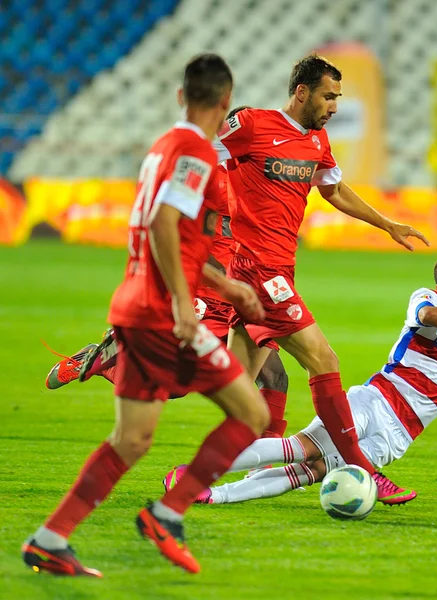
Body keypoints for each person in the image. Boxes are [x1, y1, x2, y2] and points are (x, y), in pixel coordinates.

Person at [22, 54, 270, 578]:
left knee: (131, 440)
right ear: (226, 101)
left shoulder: (161, 148)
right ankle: (167, 513)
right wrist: (185, 304)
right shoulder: (197, 153)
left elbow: (177, 239)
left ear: (182, 97)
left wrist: (227, 287)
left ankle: (49, 540)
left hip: (133, 310)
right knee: (253, 414)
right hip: (160, 314)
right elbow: (163, 223)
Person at [163, 251, 437, 506]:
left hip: (402, 433)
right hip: (375, 401)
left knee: (307, 473)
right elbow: (426, 319)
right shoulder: (428, 299)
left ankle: (211, 494)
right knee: (299, 448)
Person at [214, 54, 430, 503]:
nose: (334, 106)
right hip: (260, 271)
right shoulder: (251, 125)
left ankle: (134, 371)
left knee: (240, 394)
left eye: (338, 98)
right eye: (328, 96)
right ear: (301, 92)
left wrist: (387, 224)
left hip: (275, 269)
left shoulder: (317, 142)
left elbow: (332, 188)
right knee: (324, 360)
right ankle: (363, 467)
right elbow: (201, 152)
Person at [43, 110, 290, 439]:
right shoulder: (206, 176)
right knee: (177, 385)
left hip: (242, 291)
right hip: (213, 294)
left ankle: (267, 464)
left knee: (275, 377)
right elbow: (172, 231)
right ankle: (109, 358)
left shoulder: (251, 177)